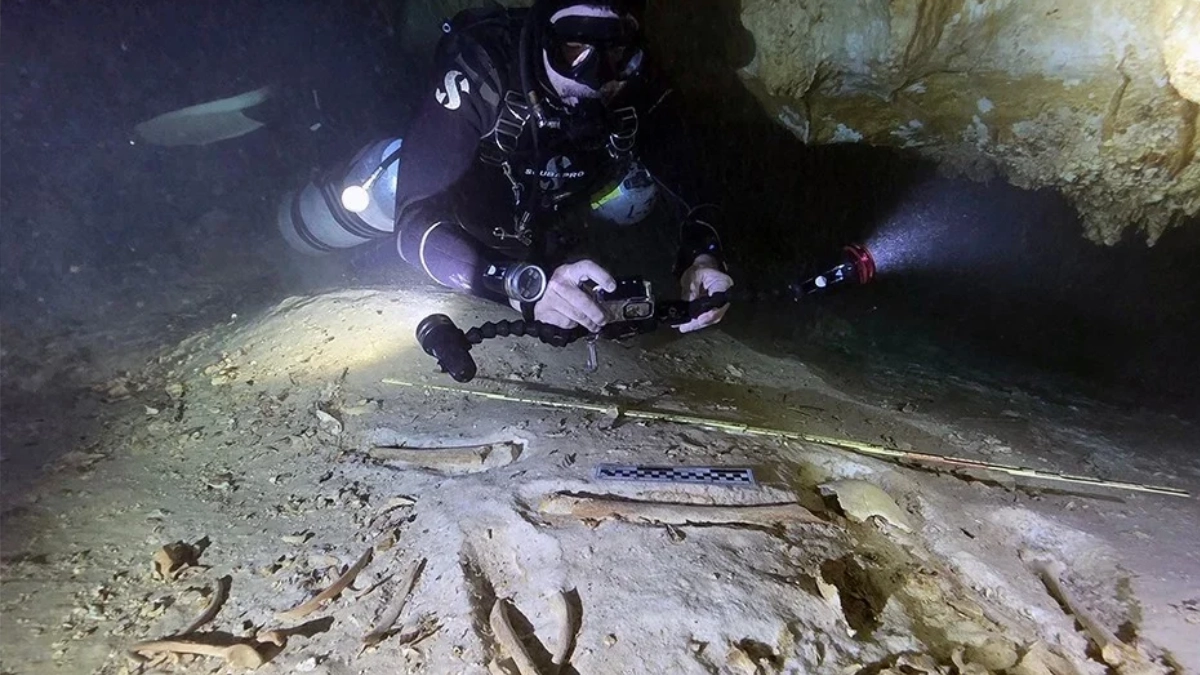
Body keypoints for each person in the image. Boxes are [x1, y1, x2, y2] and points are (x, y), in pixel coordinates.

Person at [279, 0, 733, 334]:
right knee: (389, 184)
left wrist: (702, 255)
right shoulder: (483, 71)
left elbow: (696, 178)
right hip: (464, 201)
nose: (591, 75)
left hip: (557, 208)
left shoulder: (638, 83)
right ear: (540, 40)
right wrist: (522, 285)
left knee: (637, 194)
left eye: (612, 54)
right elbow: (414, 221)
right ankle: (291, 240)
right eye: (572, 50)